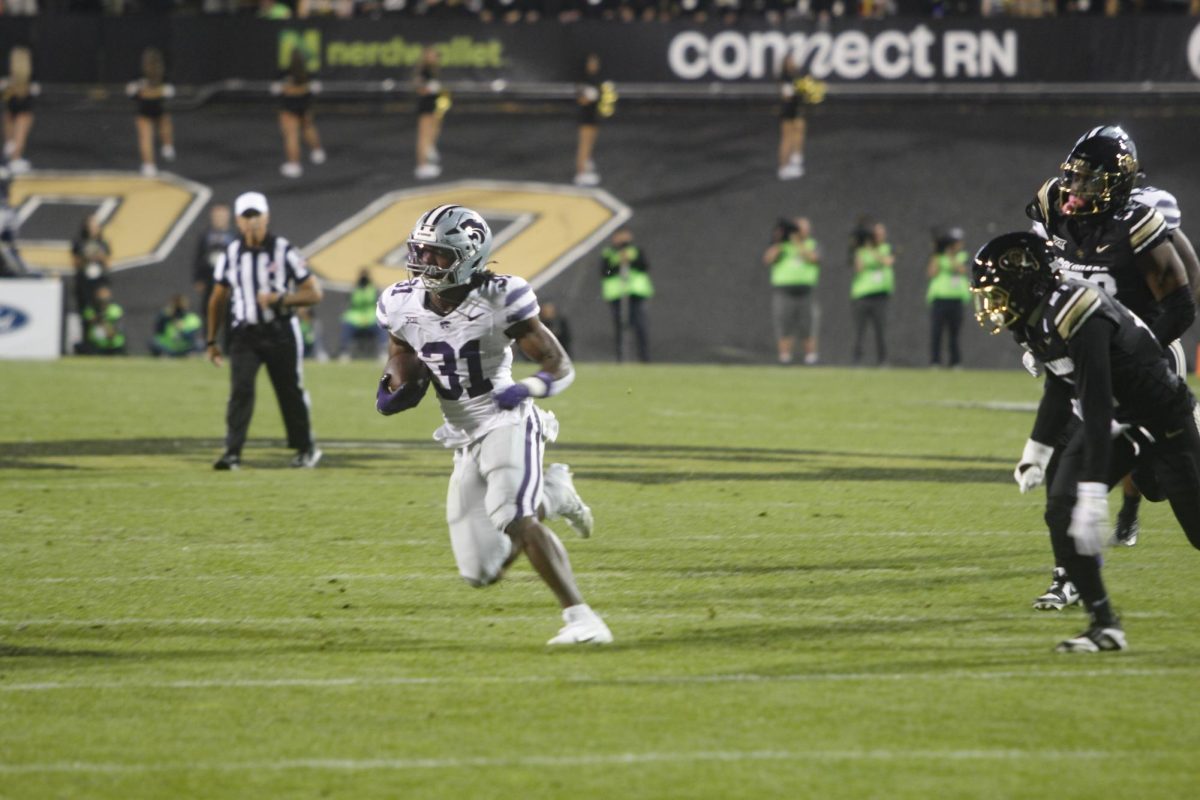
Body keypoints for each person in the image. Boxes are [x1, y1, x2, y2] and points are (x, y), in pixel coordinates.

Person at [375, 203, 611, 646]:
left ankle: (582, 619)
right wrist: (396, 383)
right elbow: (402, 350)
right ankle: (552, 494)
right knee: (481, 572)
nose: (425, 262)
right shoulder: (399, 302)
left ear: (469, 255)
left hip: (506, 420)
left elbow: (557, 365)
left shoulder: (502, 297)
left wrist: (529, 389)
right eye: (421, 251)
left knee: (512, 517)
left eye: (439, 254)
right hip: (462, 433)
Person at [970, 232, 1200, 653]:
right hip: (1115, 420)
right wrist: (1035, 452)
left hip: (1161, 417)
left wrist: (1095, 492)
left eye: (998, 293)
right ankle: (1105, 625)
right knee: (1060, 508)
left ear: (1024, 282)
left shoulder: (1078, 308)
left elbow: (1094, 402)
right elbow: (1061, 386)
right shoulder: (1033, 317)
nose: (993, 305)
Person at [1023, 126, 1195, 608]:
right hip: (1086, 362)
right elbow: (1043, 265)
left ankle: (1162, 449)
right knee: (1063, 476)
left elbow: (1183, 301)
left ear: (1117, 182)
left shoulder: (1139, 219)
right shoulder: (1055, 204)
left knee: (1160, 485)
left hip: (1147, 363)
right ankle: (1068, 575)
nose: (1075, 191)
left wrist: (1136, 353)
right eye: (1074, 179)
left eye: (1089, 181)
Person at [205, 191, 323, 471]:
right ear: (237, 220)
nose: (252, 222)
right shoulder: (231, 254)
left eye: (256, 215)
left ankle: (306, 448)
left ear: (266, 217)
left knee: (289, 391)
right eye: (246, 217)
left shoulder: (284, 250)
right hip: (245, 333)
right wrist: (211, 339)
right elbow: (218, 297)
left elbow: (314, 293)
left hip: (280, 330)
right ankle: (232, 452)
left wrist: (280, 299)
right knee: (240, 391)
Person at [764, 216, 820, 364]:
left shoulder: (811, 244)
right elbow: (768, 259)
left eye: (804, 228)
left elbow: (814, 259)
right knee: (784, 324)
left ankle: (811, 358)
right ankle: (784, 358)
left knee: (807, 325)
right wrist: (779, 240)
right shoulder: (782, 245)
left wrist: (797, 242)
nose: (802, 231)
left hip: (805, 292)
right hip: (783, 292)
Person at [600, 227, 653, 363]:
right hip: (617, 294)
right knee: (620, 327)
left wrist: (630, 261)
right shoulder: (608, 253)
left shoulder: (636, 250)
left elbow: (644, 266)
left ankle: (644, 358)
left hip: (635, 293)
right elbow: (605, 271)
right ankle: (621, 358)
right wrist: (618, 263)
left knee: (640, 326)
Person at [271, 49, 326, 179]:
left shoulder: (284, 74)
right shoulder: (309, 74)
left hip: (288, 108)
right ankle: (317, 152)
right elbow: (316, 88)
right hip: (304, 107)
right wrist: (304, 89)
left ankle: (294, 165)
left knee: (292, 136)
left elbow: (275, 90)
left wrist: (289, 89)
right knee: (308, 128)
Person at [126, 47, 176, 178]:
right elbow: (130, 92)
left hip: (160, 110)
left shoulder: (163, 77)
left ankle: (167, 146)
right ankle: (149, 164)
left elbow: (169, 92)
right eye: (149, 63)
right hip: (144, 111)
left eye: (154, 64)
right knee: (145, 136)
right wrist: (151, 92)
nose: (151, 67)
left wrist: (148, 93)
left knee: (165, 124)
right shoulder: (139, 77)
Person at [849, 221, 894, 366]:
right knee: (859, 330)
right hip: (862, 295)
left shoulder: (886, 248)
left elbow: (887, 261)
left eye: (882, 233)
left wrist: (872, 250)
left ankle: (883, 360)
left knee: (881, 330)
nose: (880, 236)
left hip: (881, 296)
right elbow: (858, 268)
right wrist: (859, 248)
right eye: (877, 234)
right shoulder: (861, 251)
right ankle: (856, 360)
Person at [925, 226, 970, 368]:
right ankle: (935, 361)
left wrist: (950, 256)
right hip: (940, 299)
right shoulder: (938, 257)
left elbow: (961, 269)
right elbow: (931, 273)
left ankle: (955, 361)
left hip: (956, 299)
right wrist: (936, 253)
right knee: (936, 332)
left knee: (954, 333)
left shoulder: (962, 256)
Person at [776, 56, 824, 180]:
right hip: (788, 110)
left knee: (798, 132)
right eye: (789, 61)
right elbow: (787, 97)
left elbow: (803, 90)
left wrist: (808, 91)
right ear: (785, 64)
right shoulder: (786, 77)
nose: (792, 63)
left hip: (796, 109)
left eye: (793, 60)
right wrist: (800, 90)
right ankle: (783, 168)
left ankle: (795, 160)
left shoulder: (796, 76)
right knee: (786, 138)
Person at [193, 203, 236, 328]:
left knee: (230, 314)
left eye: (222, 215)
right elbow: (199, 257)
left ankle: (229, 344)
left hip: (228, 282)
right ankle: (210, 342)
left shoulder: (234, 236)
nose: (219, 218)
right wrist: (198, 279)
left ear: (228, 216)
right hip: (209, 280)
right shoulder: (205, 236)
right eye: (217, 215)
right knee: (209, 313)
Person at [1, 46, 38, 173]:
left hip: (11, 107)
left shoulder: (11, 80)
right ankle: (14, 159)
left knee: (10, 121)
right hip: (22, 109)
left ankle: (9, 154)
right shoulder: (29, 82)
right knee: (22, 125)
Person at [413, 46, 446, 180]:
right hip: (425, 106)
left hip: (434, 105)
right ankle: (422, 166)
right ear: (426, 56)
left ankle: (430, 151)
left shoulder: (434, 70)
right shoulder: (424, 70)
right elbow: (419, 88)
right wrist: (429, 89)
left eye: (436, 55)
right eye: (432, 55)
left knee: (433, 130)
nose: (435, 57)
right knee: (423, 137)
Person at [574, 52, 606, 187]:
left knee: (590, 145)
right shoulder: (584, 80)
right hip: (585, 118)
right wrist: (589, 97)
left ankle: (586, 168)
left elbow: (600, 99)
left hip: (593, 117)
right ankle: (580, 175)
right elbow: (580, 100)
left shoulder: (596, 80)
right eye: (591, 63)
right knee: (584, 146)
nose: (593, 66)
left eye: (595, 63)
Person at [338, 267, 383, 361]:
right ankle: (344, 352)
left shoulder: (373, 289)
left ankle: (383, 352)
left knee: (382, 325)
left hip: (370, 319)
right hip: (355, 319)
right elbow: (349, 303)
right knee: (346, 324)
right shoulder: (354, 288)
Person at [71, 213, 111, 315]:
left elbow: (107, 263)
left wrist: (100, 257)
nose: (93, 229)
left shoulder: (103, 243)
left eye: (95, 226)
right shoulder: (79, 243)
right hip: (84, 279)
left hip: (100, 278)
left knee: (102, 302)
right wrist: (86, 258)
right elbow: (75, 263)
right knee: (86, 311)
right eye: (91, 226)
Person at [78, 286, 126, 356]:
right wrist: (99, 317)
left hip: (115, 346)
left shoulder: (115, 310)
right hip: (96, 345)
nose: (102, 302)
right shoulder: (90, 310)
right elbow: (91, 320)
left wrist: (104, 322)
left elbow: (114, 332)